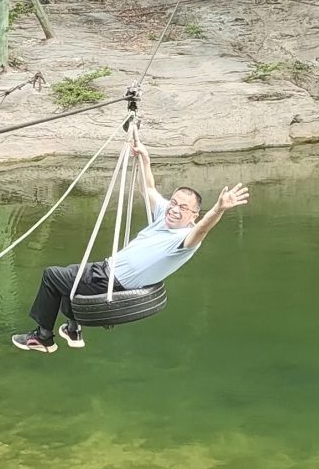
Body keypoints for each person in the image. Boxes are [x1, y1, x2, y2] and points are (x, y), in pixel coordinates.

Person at [13, 140, 247, 353]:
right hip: (103, 271)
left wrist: (219, 209)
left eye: (183, 208)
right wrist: (144, 158)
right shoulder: (163, 216)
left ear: (193, 215)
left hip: (110, 283)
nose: (175, 209)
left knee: (52, 276)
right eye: (174, 203)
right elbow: (148, 189)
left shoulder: (185, 239)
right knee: (70, 276)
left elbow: (203, 229)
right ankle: (73, 330)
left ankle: (43, 338)